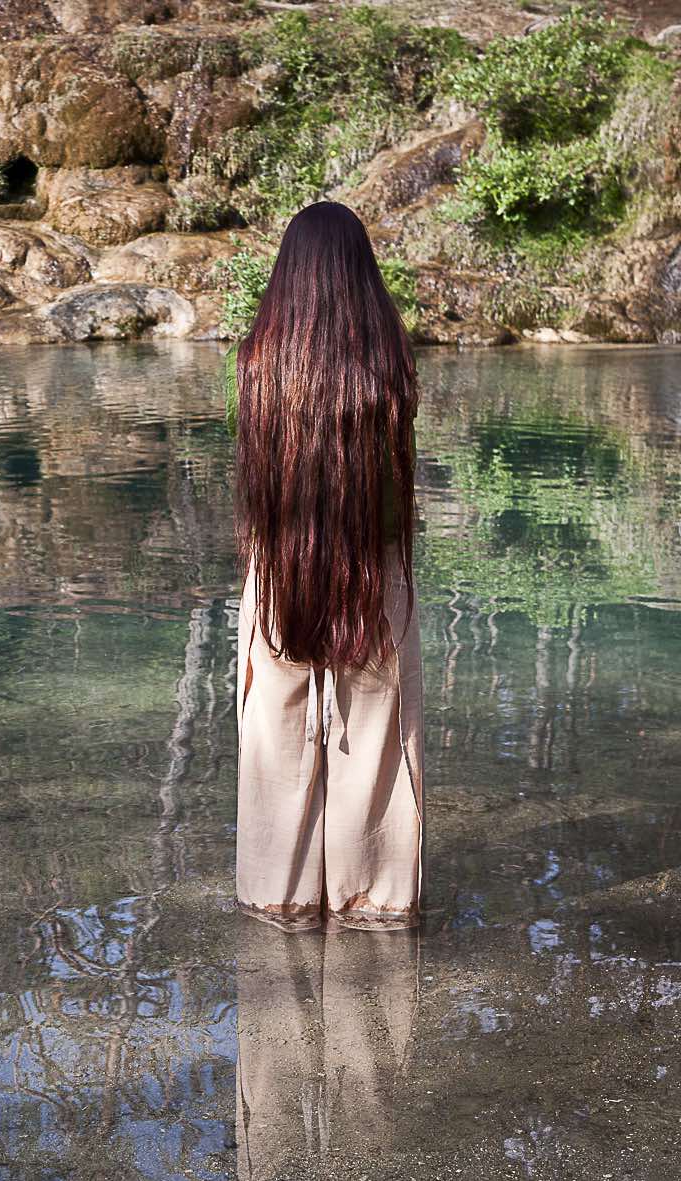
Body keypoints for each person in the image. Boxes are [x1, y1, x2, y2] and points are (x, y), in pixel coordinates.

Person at [233, 201, 423, 932]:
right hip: (374, 576)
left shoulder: (258, 366)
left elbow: (261, 492)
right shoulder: (389, 370)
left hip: (279, 572)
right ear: (362, 275)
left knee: (274, 743)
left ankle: (277, 905)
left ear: (287, 276)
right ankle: (374, 908)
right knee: (376, 745)